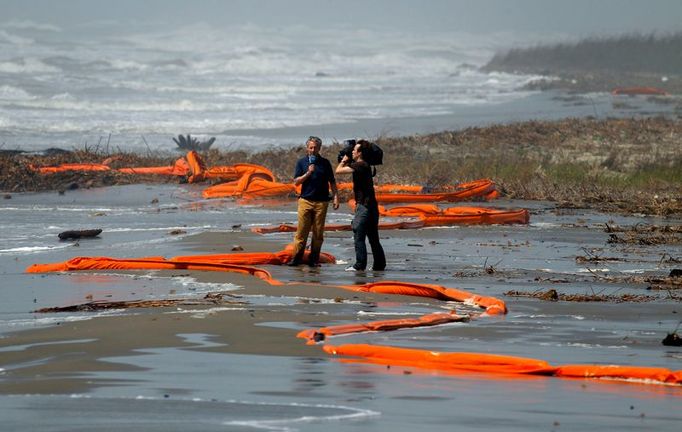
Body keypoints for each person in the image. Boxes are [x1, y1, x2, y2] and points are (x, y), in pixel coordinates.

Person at [288, 136, 339, 267]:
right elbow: (296, 181)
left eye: (315, 147)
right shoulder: (302, 162)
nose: (313, 149)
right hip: (305, 200)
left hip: (321, 202)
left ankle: (314, 259)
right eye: (311, 147)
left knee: (318, 233)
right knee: (302, 232)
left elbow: (332, 181)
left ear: (320, 148)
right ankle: (296, 258)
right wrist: (308, 173)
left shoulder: (325, 163)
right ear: (307, 148)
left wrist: (335, 197)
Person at [335, 139, 386, 271]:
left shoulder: (361, 165)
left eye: (354, 150)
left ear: (360, 153)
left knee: (359, 235)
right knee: (373, 237)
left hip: (364, 206)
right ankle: (379, 265)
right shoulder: (365, 165)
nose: (352, 151)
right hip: (372, 206)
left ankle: (360, 265)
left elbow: (338, 171)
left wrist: (344, 159)